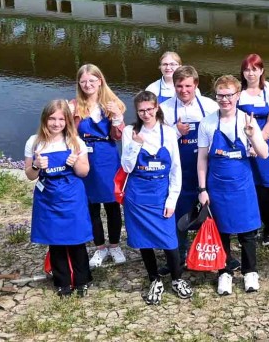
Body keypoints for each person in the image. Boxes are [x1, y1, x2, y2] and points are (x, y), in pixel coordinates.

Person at [197, 75, 269, 296]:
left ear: (238, 95)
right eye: (220, 95)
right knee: (222, 232)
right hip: (217, 185)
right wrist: (202, 189)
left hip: (242, 185)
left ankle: (250, 271)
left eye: (229, 95)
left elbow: (264, 154)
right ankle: (224, 272)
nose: (225, 99)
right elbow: (202, 159)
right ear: (216, 96)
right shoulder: (207, 123)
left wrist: (252, 137)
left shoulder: (247, 120)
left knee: (247, 232)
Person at [121, 91, 193, 304]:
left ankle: (177, 279)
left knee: (169, 240)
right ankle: (154, 279)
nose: (145, 114)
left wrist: (172, 200)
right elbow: (126, 167)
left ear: (156, 108)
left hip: (160, 194)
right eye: (141, 110)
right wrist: (135, 144)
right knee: (145, 241)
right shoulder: (129, 131)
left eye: (149, 109)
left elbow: (176, 170)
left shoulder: (169, 133)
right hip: (137, 196)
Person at [25, 99, 93, 296]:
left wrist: (75, 164)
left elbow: (84, 172)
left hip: (72, 197)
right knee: (54, 240)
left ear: (68, 121)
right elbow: (30, 175)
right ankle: (62, 281)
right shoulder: (34, 142)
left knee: (77, 239)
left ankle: (82, 280)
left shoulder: (75, 141)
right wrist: (36, 165)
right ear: (45, 119)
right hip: (48, 199)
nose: (56, 123)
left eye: (61, 119)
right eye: (52, 119)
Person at [160, 65, 218, 259]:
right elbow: (158, 143)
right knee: (180, 214)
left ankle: (215, 250)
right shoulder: (165, 109)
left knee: (212, 211)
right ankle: (179, 254)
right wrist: (176, 132)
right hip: (180, 170)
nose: (183, 90)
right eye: (179, 86)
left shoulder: (210, 106)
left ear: (196, 85)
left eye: (187, 86)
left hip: (205, 168)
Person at [72, 64, 127, 269]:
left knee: (112, 203)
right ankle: (99, 247)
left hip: (107, 155)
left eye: (92, 81)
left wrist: (117, 119)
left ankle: (114, 245)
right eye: (84, 81)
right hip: (84, 155)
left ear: (100, 81)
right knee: (91, 204)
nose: (88, 85)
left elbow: (118, 136)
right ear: (79, 83)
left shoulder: (113, 104)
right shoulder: (75, 105)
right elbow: (69, 133)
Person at [237, 54, 269, 247]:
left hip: (266, 142)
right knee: (247, 186)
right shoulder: (238, 91)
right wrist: (249, 143)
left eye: (254, 69)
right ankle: (250, 226)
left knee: (266, 186)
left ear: (261, 70)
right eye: (247, 69)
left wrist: (260, 140)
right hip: (242, 143)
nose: (251, 73)